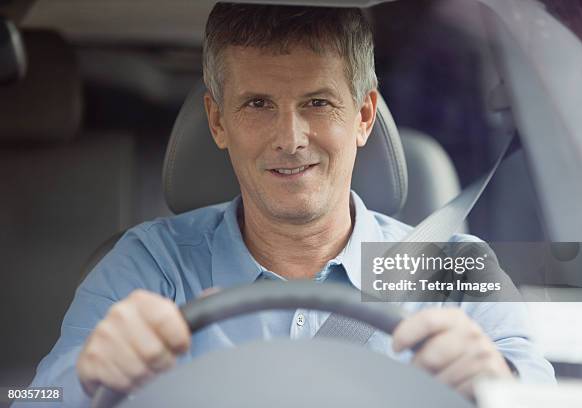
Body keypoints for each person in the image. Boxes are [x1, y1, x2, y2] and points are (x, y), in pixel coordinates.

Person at [23, 3, 554, 407]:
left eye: (317, 103)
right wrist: (88, 376)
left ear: (365, 115)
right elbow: (32, 399)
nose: (290, 137)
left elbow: (546, 394)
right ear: (218, 122)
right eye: (258, 104)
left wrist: (497, 384)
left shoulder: (453, 268)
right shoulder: (151, 266)